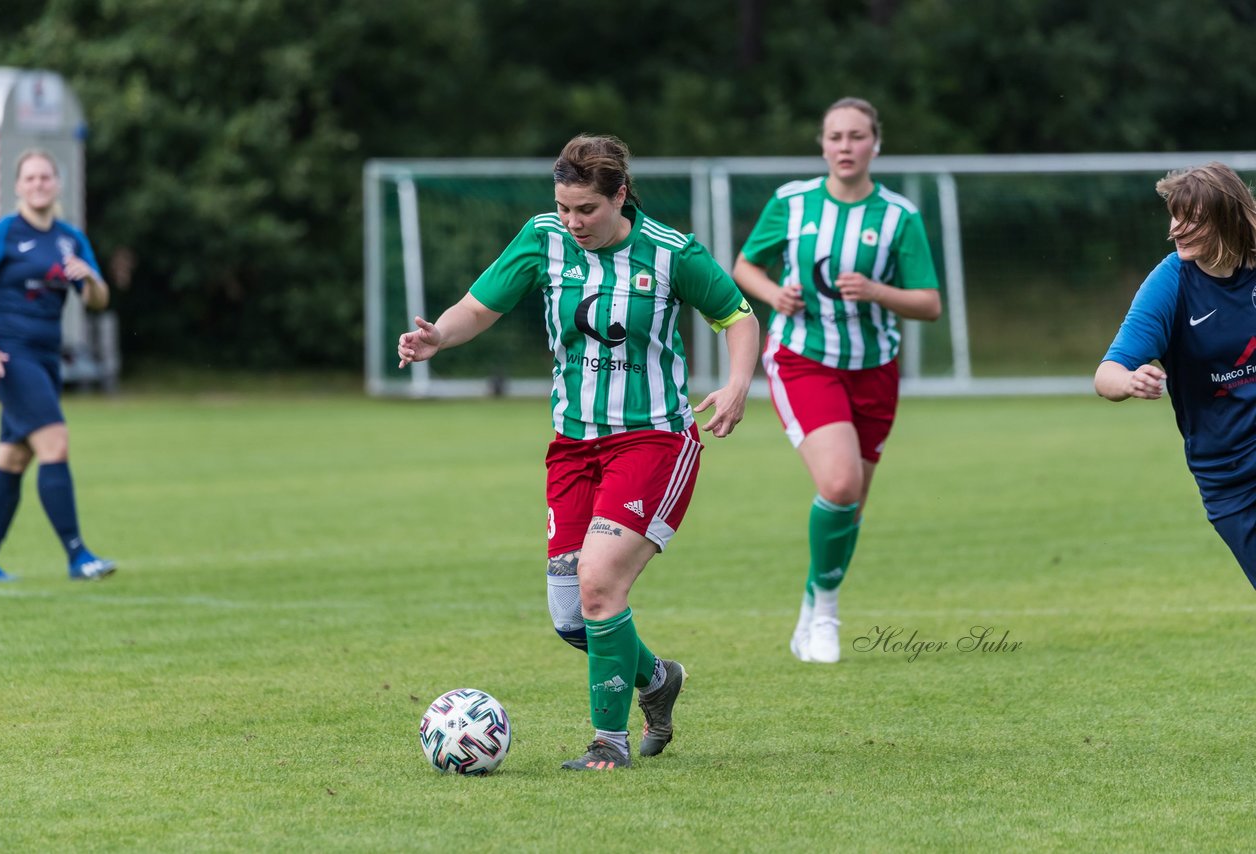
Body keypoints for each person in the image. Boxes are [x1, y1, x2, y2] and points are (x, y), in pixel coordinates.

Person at [398, 134, 759, 770]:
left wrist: (736, 384)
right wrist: (438, 338)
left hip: (653, 439)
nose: (573, 222)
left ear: (620, 195)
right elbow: (480, 306)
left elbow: (737, 317)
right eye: (564, 208)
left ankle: (608, 744)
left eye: (586, 209)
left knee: (599, 586)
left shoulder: (672, 253)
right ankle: (656, 680)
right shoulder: (543, 238)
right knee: (573, 619)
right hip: (572, 447)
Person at [732, 97, 942, 663]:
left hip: (875, 369)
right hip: (805, 359)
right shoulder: (793, 203)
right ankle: (826, 617)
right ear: (822, 145)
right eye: (835, 137)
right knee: (841, 485)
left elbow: (928, 304)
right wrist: (774, 293)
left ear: (876, 143)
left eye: (856, 136)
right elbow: (744, 265)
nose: (845, 147)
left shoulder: (899, 216)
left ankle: (813, 606)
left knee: (851, 502)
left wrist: (878, 292)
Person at [1096, 162, 1256, 589]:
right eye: (1174, 215)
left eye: (1192, 219)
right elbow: (1106, 373)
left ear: (1227, 218)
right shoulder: (1172, 282)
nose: (1175, 229)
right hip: (1230, 473)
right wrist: (1129, 382)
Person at [0, 149, 117, 582]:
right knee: (55, 443)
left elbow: (98, 300)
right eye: (30, 178)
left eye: (45, 178)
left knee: (14, 458)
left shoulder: (69, 239)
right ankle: (78, 556)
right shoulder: (2, 235)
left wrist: (90, 279)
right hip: (8, 357)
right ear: (17, 186)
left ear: (57, 184)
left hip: (46, 358)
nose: (38, 184)